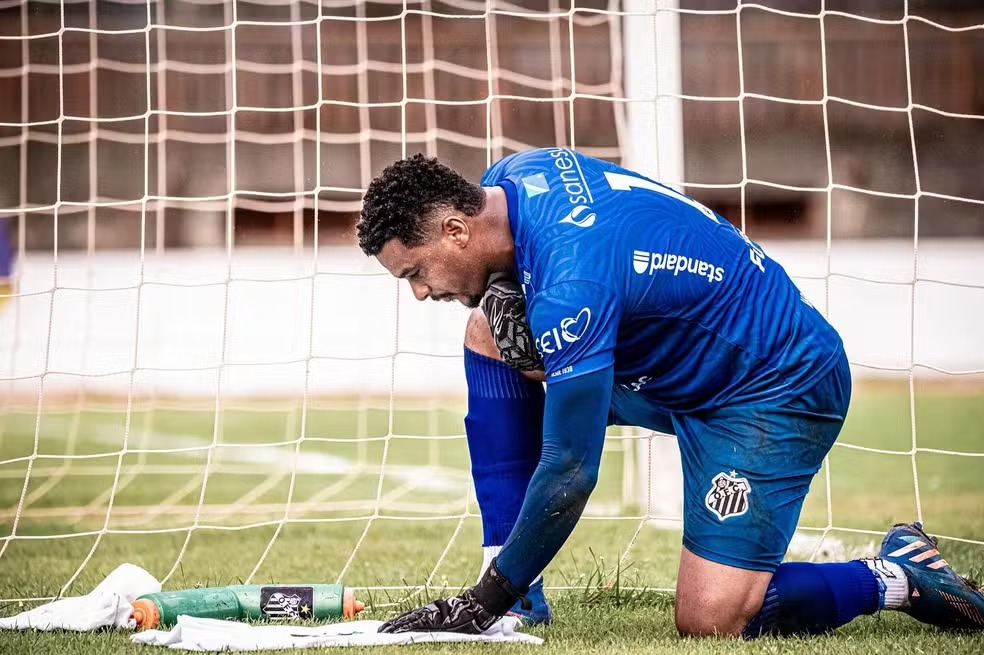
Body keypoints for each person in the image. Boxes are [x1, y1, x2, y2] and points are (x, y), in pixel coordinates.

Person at [356, 148, 984, 637]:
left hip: (772, 386)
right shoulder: (516, 177)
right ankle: (520, 598)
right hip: (675, 368)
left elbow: (572, 470)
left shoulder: (573, 281)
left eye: (415, 272)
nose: (420, 291)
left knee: (711, 619)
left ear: (456, 228)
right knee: (489, 333)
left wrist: (474, 605)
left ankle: (901, 574)